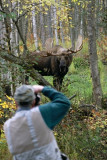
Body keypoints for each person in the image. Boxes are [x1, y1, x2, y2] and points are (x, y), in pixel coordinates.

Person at [4, 85, 71, 160]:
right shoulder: (40, 114)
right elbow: (64, 102)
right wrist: (42, 88)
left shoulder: (8, 126)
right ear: (34, 101)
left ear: (16, 103)